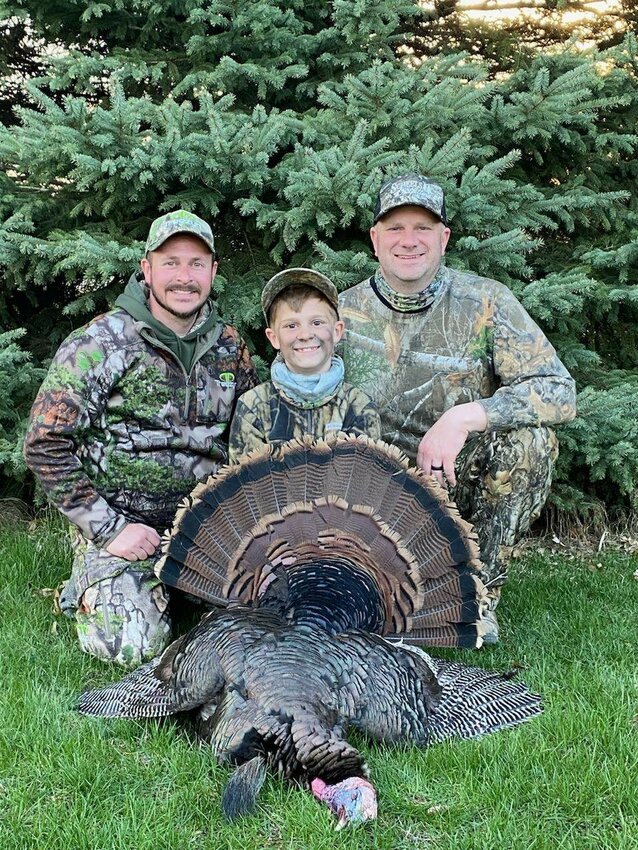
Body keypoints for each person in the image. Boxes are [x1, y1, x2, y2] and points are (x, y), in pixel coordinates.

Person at [338, 174, 577, 641]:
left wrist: (463, 418)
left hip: (451, 479)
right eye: (395, 228)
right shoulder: (341, 312)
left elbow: (558, 391)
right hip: (371, 494)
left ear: (444, 238)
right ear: (375, 239)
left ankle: (476, 593)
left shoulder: (486, 302)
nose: (409, 241)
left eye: (423, 228)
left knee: (530, 441)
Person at [24, 210, 259, 666]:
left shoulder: (232, 347)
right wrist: (110, 530)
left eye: (196, 264)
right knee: (131, 644)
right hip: (127, 530)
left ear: (213, 272)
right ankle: (97, 579)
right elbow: (43, 443)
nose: (184, 277)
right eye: (170, 263)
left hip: (208, 534)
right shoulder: (100, 343)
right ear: (147, 268)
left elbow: (250, 446)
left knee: (270, 628)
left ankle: (189, 593)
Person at [229, 268, 380, 461]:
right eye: (291, 326)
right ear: (273, 338)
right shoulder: (254, 406)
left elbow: (366, 482)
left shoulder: (359, 406)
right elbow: (246, 485)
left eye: (317, 322)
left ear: (337, 331)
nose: (305, 335)